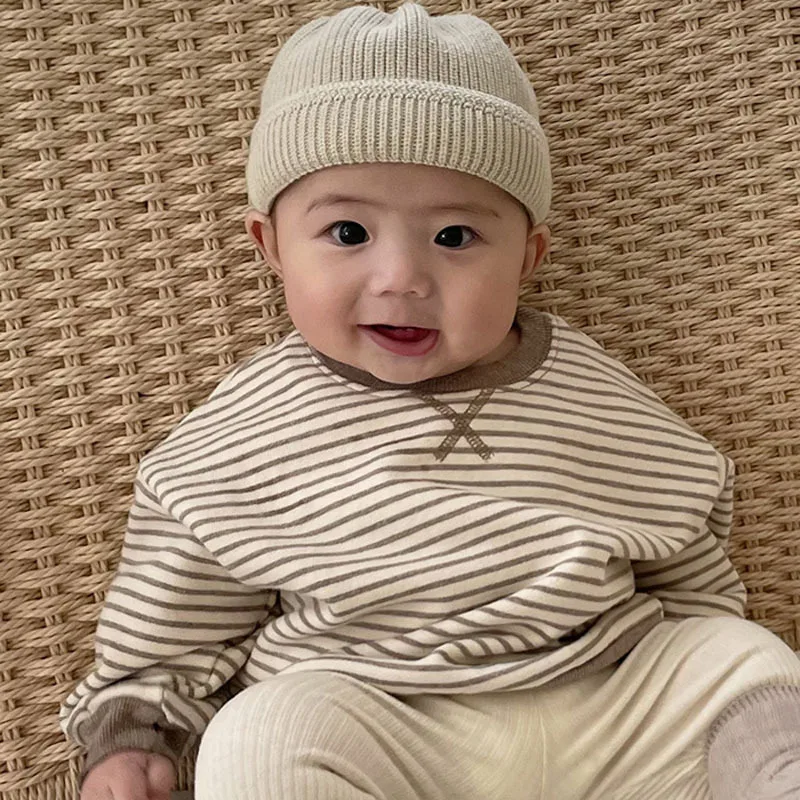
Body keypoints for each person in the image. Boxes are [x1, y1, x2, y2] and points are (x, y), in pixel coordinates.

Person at [61, 3, 800, 799]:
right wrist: (135, 735)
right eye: (348, 233)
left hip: (610, 704)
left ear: (527, 257)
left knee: (745, 660)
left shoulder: (588, 384)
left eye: (454, 237)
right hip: (381, 721)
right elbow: (174, 615)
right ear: (270, 245)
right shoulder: (248, 426)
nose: (402, 279)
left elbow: (680, 538)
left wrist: (703, 643)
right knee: (259, 733)